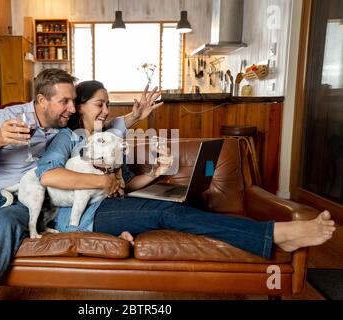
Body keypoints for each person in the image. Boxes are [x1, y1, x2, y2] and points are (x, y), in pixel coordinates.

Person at [0, 69, 161, 300]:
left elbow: (102, 125)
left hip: (21, 200)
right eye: (65, 101)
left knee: (4, 224)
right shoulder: (7, 118)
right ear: (42, 100)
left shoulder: (65, 131)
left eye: (74, 101)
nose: (72, 108)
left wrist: (134, 116)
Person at [36, 80, 336, 260]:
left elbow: (125, 186)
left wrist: (155, 172)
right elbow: (47, 176)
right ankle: (276, 233)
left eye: (108, 105)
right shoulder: (68, 138)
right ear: (81, 106)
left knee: (181, 202)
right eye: (99, 105)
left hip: (114, 205)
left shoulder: (114, 141)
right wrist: (103, 181)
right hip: (86, 214)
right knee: (169, 214)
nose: (106, 111)